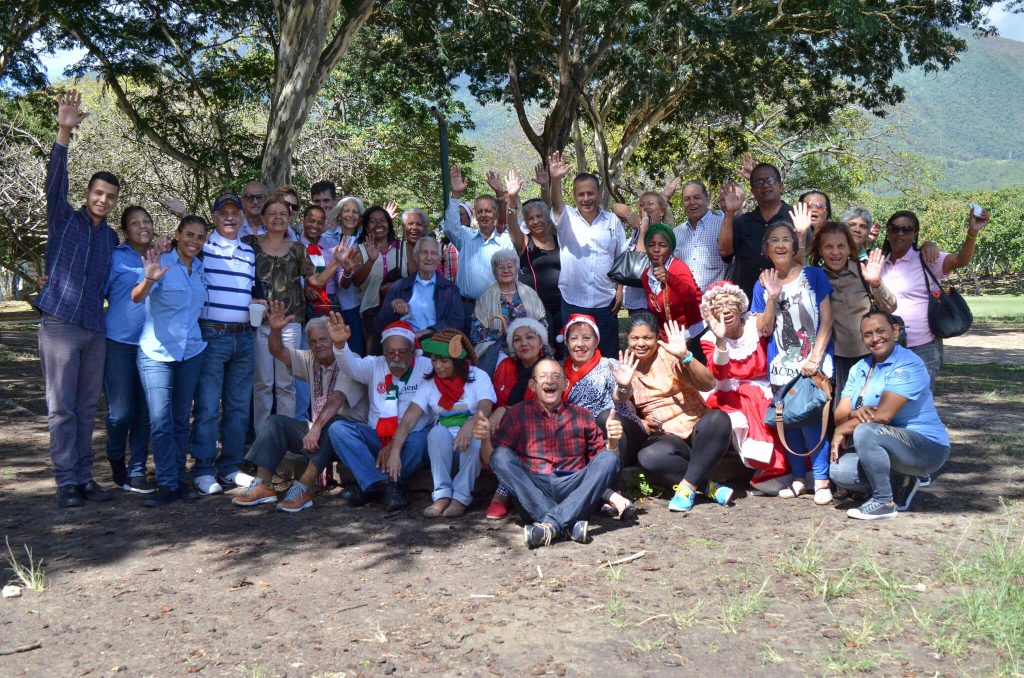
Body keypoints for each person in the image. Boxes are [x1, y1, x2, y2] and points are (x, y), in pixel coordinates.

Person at [37, 90, 120, 508]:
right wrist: (63, 132)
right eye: (97, 193)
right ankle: (65, 480)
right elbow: (55, 181)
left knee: (88, 407)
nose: (102, 199)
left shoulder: (111, 238)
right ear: (88, 193)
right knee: (61, 408)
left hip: (95, 327)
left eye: (110, 196)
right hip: (60, 324)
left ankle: (85, 477)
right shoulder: (64, 219)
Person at [474, 358, 624, 548]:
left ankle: (550, 526)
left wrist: (612, 441)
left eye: (556, 376)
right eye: (543, 376)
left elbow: (604, 464)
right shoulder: (517, 414)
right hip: (533, 490)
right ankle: (568, 525)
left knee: (609, 457)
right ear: (532, 385)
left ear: (565, 384)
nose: (549, 381)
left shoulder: (582, 415)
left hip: (573, 489)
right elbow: (491, 461)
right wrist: (485, 438)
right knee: (500, 455)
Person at [233, 303, 368, 512]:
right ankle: (262, 484)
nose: (319, 345)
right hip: (319, 434)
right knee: (275, 423)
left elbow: (337, 399)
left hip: (347, 437)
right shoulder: (311, 359)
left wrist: (315, 428)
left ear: (335, 338)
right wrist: (276, 330)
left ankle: (304, 488)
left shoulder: (352, 361)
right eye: (313, 341)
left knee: (332, 425)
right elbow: (277, 351)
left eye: (324, 339)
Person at [829, 310, 951, 520]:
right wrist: (855, 412)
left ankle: (884, 502)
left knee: (867, 432)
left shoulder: (908, 364)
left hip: (926, 447)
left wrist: (843, 429)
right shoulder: (859, 368)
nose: (875, 338)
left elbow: (883, 415)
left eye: (880, 331)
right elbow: (840, 415)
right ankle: (901, 481)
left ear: (895, 331)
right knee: (840, 471)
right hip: (887, 442)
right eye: (867, 334)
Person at [752, 219, 834, 504]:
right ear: (766, 249)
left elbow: (827, 320)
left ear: (795, 244)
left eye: (786, 239)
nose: (780, 244)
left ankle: (821, 480)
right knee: (789, 421)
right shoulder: (761, 282)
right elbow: (763, 329)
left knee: (812, 419)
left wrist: (816, 358)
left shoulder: (814, 276)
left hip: (814, 363)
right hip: (781, 365)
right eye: (774, 240)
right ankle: (799, 478)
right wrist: (772, 298)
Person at [246, 198, 341, 436]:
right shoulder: (250, 244)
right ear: (264, 218)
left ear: (289, 220)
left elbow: (316, 281)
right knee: (263, 384)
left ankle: (285, 439)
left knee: (286, 384)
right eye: (272, 213)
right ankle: (262, 438)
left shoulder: (296, 248)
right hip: (261, 323)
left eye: (283, 213)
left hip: (290, 323)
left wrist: (337, 262)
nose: (278, 217)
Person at [132, 216, 209, 507]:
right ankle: (166, 483)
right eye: (189, 234)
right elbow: (137, 297)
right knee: (161, 422)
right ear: (177, 235)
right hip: (156, 353)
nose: (194, 241)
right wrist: (150, 278)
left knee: (180, 421)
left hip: (191, 352)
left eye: (200, 237)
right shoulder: (161, 261)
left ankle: (178, 479)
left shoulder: (200, 268)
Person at [626, 312, 734, 513]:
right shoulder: (625, 364)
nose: (641, 343)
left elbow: (708, 383)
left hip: (696, 427)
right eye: (635, 338)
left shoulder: (670, 354)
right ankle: (706, 486)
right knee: (649, 456)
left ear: (657, 338)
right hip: (666, 436)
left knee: (719, 420)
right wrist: (643, 423)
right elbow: (626, 408)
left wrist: (685, 356)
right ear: (627, 339)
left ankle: (687, 487)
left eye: (647, 338)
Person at [189, 192, 258, 495]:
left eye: (235, 213)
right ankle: (203, 469)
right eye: (224, 213)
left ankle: (230, 467)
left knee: (239, 407)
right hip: (212, 334)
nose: (230, 217)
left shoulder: (249, 252)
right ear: (214, 217)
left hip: (244, 336)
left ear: (242, 218)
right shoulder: (203, 248)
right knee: (206, 406)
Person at [326, 318, 432, 512]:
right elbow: (351, 367)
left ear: (413, 350)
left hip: (410, 437)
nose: (397, 358)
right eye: (391, 353)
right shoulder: (375, 364)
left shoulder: (426, 367)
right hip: (377, 437)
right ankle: (385, 485)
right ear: (384, 352)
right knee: (337, 429)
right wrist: (340, 345)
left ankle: (370, 486)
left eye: (402, 352)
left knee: (422, 441)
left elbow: (415, 418)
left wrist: (394, 446)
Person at [388, 329, 495, 518]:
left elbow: (485, 408)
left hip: (471, 444)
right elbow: (408, 419)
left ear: (458, 361)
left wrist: (470, 424)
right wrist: (395, 451)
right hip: (444, 447)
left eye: (444, 361)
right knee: (435, 433)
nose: (438, 366)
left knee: (477, 437)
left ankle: (460, 497)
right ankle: (442, 495)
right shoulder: (429, 384)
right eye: (435, 360)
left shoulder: (478, 376)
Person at [697, 282, 790, 496]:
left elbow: (767, 326)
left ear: (740, 306)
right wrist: (720, 339)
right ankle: (766, 471)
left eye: (730, 303)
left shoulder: (753, 324)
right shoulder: (709, 339)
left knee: (763, 404)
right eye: (719, 307)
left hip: (763, 386)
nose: (726, 310)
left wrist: (772, 298)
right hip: (726, 391)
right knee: (742, 411)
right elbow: (718, 374)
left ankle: (781, 473)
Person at [881, 208, 989, 387]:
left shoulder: (927, 259)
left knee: (918, 404)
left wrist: (972, 232)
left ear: (915, 234)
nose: (899, 233)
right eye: (894, 228)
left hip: (922, 345)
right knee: (887, 403)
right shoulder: (878, 262)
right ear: (888, 232)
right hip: (887, 346)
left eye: (906, 229)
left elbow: (961, 260)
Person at [560, 314, 646, 520]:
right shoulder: (558, 371)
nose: (580, 344)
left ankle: (610, 491)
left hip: (622, 429)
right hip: (583, 436)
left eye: (586, 338)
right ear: (566, 343)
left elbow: (620, 395)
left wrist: (624, 385)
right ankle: (609, 495)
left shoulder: (609, 365)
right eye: (574, 339)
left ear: (597, 341)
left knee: (607, 418)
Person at [547, 151, 626, 358]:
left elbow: (621, 259)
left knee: (608, 358)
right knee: (574, 356)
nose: (586, 198)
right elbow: (556, 204)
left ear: (599, 194)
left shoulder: (612, 221)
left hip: (606, 302)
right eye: (581, 194)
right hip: (573, 301)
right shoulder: (567, 219)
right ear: (574, 196)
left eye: (590, 193)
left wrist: (620, 290)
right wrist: (555, 180)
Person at [103, 206, 157, 494]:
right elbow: (95, 291)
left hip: (153, 345)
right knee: (121, 412)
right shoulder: (115, 257)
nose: (142, 226)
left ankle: (137, 470)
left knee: (145, 412)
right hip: (119, 342)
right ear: (125, 230)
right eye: (135, 223)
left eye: (146, 221)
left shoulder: (161, 254)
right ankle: (114, 456)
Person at [811, 222, 897, 396]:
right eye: (829, 247)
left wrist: (875, 283)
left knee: (872, 407)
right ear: (820, 251)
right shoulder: (815, 278)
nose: (835, 252)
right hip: (836, 359)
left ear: (850, 248)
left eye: (841, 246)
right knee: (840, 411)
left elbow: (891, 306)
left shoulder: (863, 271)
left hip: (871, 354)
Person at [486, 317, 551, 519]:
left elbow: (542, 407)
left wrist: (506, 409)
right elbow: (495, 402)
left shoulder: (549, 369)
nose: (524, 343)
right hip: (504, 429)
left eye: (530, 337)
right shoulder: (505, 366)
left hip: (540, 428)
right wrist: (500, 411)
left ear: (541, 343)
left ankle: (502, 493)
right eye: (517, 339)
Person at [443, 166, 514, 330]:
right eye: (480, 211)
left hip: (496, 309)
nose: (484, 215)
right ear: (475, 214)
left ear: (495, 214)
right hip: (467, 308)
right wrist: (455, 196)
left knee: (492, 353)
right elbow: (450, 227)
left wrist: (501, 194)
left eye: (488, 211)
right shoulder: (466, 237)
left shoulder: (505, 241)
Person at [503, 170, 562, 351]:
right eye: (530, 218)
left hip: (563, 304)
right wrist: (512, 198)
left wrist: (547, 186)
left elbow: (554, 206)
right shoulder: (524, 242)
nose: (535, 221)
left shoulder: (559, 237)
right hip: (536, 308)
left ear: (546, 218)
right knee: (543, 351)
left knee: (563, 349)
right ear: (526, 222)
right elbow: (511, 224)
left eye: (539, 216)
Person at [340, 206, 410, 355]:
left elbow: (416, 278)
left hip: (402, 313)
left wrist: (397, 285)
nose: (378, 224)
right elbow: (356, 282)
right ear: (366, 227)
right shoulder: (360, 250)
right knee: (375, 359)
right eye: (373, 221)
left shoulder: (403, 247)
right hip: (372, 315)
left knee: (402, 355)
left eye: (382, 220)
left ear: (389, 224)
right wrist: (371, 261)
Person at [717, 163, 793, 298]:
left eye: (770, 180)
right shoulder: (742, 222)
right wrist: (729, 214)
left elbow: (805, 252)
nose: (765, 185)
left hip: (786, 298)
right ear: (752, 191)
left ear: (780, 185)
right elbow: (725, 253)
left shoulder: (795, 217)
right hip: (747, 301)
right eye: (759, 182)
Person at [470, 249, 548, 372]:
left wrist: (531, 337)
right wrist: (496, 335)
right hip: (498, 351)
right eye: (501, 267)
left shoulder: (529, 293)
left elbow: (543, 323)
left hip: (527, 346)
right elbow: (475, 333)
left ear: (516, 270)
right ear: (494, 272)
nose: (506, 270)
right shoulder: (485, 298)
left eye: (510, 266)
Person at [376, 235, 463, 337]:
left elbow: (457, 321)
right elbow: (380, 324)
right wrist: (393, 306)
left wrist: (428, 332)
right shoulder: (399, 287)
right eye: (424, 252)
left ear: (440, 258)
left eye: (434, 253)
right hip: (405, 345)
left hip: (436, 344)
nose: (429, 257)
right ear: (416, 257)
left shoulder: (450, 289)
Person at [641, 222, 704, 359]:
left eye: (662, 245)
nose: (656, 249)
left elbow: (691, 295)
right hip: (670, 337)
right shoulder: (646, 275)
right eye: (651, 245)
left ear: (670, 248)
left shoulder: (678, 267)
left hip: (693, 334)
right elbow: (655, 310)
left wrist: (670, 279)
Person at [673, 181, 728, 293]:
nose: (692, 202)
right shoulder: (676, 233)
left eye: (697, 197)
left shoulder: (723, 226)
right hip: (684, 302)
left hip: (716, 303)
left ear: (707, 200)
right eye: (687, 199)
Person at [329, 196, 367, 355]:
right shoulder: (327, 238)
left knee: (355, 352)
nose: (350, 215)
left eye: (355, 212)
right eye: (346, 211)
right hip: (330, 304)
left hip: (354, 304)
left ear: (360, 218)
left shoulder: (365, 241)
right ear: (339, 214)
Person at [310, 180, 339, 246]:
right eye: (317, 201)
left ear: (334, 200)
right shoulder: (303, 227)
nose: (322, 205)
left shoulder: (343, 224)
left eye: (326, 200)